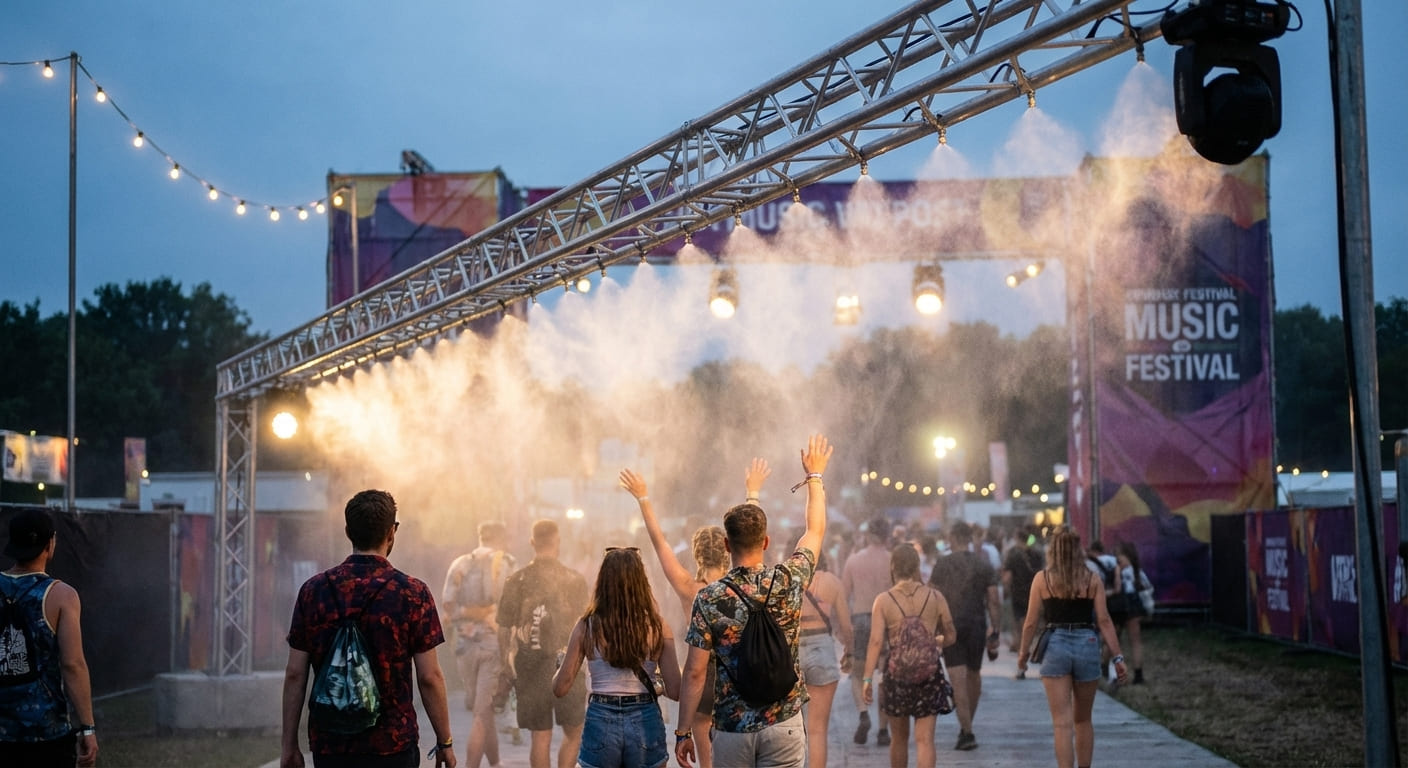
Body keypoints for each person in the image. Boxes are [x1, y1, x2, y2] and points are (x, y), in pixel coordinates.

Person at [675, 434, 833, 768]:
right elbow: (815, 531)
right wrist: (815, 477)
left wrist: (683, 731)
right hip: (784, 722)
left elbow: (695, 673)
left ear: (726, 545)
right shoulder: (789, 579)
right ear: (766, 542)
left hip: (733, 729)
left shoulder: (710, 597)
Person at [281, 490, 456, 768]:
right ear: (392, 532)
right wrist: (444, 741)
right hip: (393, 745)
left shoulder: (313, 591)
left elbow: (295, 674)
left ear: (348, 531)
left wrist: (289, 746)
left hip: (332, 745)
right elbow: (429, 677)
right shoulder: (412, 593)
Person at [621, 466, 733, 768]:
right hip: (736, 676)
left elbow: (660, 544)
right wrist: (753, 492)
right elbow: (750, 540)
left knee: (706, 758)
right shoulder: (740, 585)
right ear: (728, 552)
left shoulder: (689, 588)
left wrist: (643, 498)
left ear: (697, 555)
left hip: (701, 675)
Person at [553, 546, 682, 768]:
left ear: (603, 582)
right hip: (645, 718)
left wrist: (561, 663)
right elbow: (676, 690)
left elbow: (560, 688)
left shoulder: (586, 626)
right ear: (641, 583)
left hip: (600, 718)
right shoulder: (658, 627)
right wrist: (656, 684)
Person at [1017, 526, 1128, 768]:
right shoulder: (1092, 579)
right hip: (1087, 643)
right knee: (1083, 720)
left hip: (1055, 645)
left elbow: (1031, 622)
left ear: (1053, 549)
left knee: (1061, 724)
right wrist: (1118, 657)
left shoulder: (1042, 579)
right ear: (1079, 549)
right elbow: (1104, 621)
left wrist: (1023, 654)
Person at [0, 509, 98, 768]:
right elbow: (72, 665)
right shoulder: (62, 595)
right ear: (50, 544)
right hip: (46, 733)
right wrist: (87, 728)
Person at [497, 520, 589, 768]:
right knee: (574, 732)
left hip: (528, 664)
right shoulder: (573, 579)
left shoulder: (516, 580)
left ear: (532, 542)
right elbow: (585, 625)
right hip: (567, 664)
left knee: (540, 735)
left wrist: (505, 664)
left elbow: (503, 628)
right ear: (558, 542)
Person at [861, 543, 956, 768]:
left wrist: (867, 679)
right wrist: (934, 641)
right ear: (916, 567)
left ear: (893, 567)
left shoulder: (883, 600)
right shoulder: (935, 597)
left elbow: (876, 642)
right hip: (929, 674)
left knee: (899, 739)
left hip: (897, 675)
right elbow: (951, 635)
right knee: (925, 740)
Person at [443, 521, 516, 768]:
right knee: (481, 712)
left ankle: (495, 763)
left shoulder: (459, 564)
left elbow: (448, 605)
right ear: (501, 539)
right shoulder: (507, 562)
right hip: (493, 646)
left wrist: (467, 613)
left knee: (483, 709)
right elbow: (513, 607)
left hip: (464, 647)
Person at [927, 520, 1000, 751]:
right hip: (977, 625)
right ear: (969, 538)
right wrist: (995, 630)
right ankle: (966, 726)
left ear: (952, 538)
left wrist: (932, 628)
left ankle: (967, 732)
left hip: (951, 626)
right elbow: (994, 599)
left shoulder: (942, 564)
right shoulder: (983, 564)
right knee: (974, 676)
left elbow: (932, 595)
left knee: (957, 680)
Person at [839, 516, 894, 747]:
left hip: (860, 617)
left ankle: (863, 713)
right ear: (887, 535)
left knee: (858, 673)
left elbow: (843, 596)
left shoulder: (854, 560)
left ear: (868, 535)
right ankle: (883, 730)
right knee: (885, 676)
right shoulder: (892, 560)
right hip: (886, 619)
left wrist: (842, 629)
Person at [797, 545, 852, 768]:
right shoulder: (832, 582)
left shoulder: (788, 580)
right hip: (822, 647)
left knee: (794, 729)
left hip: (793, 652)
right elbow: (846, 626)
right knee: (818, 729)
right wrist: (850, 652)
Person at [1001, 526, 1045, 666]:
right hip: (1035, 591)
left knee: (1019, 619)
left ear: (1017, 538)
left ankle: (1021, 646)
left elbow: (1007, 577)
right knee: (1033, 618)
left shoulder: (1013, 554)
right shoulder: (1037, 553)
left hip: (1018, 592)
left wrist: (1005, 589)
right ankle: (1029, 645)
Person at [1114, 542, 1151, 684]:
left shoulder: (1118, 571)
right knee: (1135, 641)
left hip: (1119, 605)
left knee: (1114, 641)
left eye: (1119, 556)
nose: (1117, 559)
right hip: (1134, 606)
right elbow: (1147, 586)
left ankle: (1108, 670)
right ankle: (1138, 674)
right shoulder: (1137, 572)